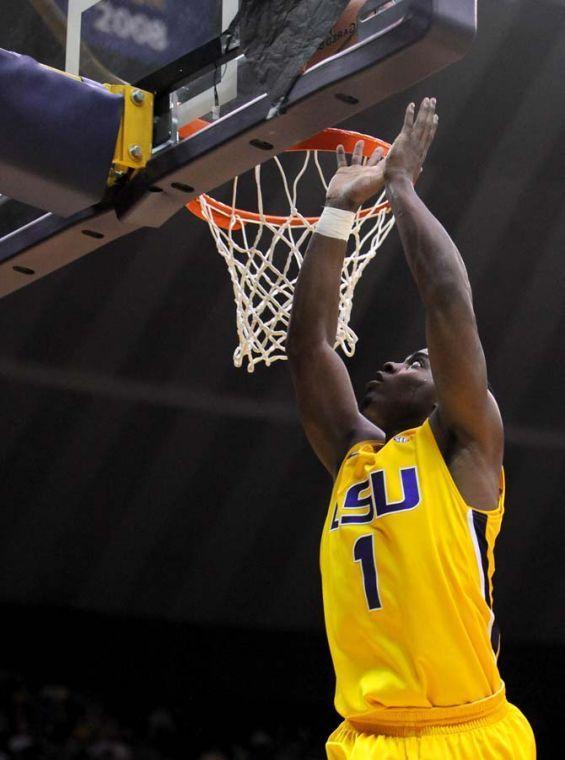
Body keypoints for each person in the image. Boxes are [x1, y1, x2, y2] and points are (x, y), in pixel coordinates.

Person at [286, 98, 536, 759]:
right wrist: (336, 211)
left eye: (418, 361)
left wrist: (399, 185)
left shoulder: (461, 450)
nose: (395, 360)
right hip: (366, 740)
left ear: (445, 398)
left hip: (466, 735)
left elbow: (448, 302)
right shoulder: (352, 455)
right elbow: (310, 346)